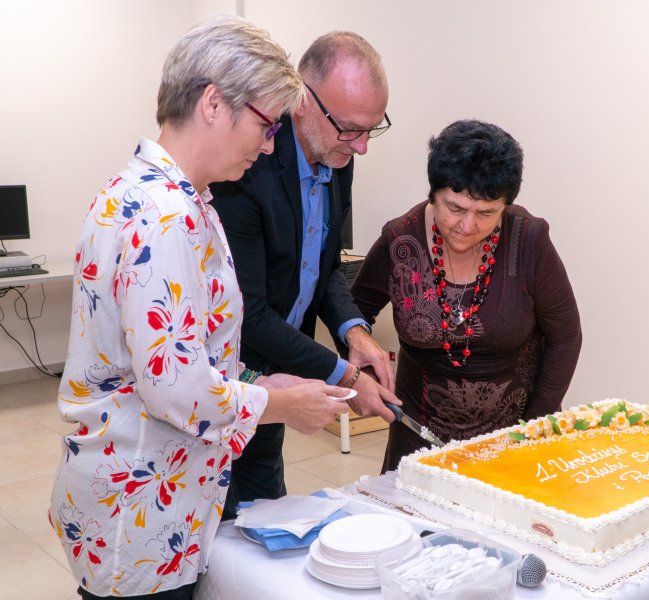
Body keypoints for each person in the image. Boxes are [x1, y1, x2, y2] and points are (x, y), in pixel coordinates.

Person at [48, 16, 352, 599]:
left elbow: (178, 353)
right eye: (266, 127)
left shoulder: (156, 192)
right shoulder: (168, 216)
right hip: (139, 510)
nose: (269, 147)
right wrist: (281, 402)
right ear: (214, 104)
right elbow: (175, 388)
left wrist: (256, 379)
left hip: (141, 494)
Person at [209, 31, 399, 520]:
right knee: (214, 535)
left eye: (371, 131)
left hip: (281, 373)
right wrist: (347, 375)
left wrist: (353, 331)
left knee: (263, 524)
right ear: (303, 99)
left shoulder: (339, 157)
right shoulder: (249, 166)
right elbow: (249, 314)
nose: (361, 148)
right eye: (351, 129)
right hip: (222, 385)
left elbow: (325, 266)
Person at [351, 119, 583, 472]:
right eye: (455, 208)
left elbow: (565, 336)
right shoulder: (401, 240)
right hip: (419, 438)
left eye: (487, 213)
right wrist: (361, 376)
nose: (467, 225)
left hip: (514, 439)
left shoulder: (529, 241)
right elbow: (352, 315)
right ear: (433, 194)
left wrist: (536, 427)